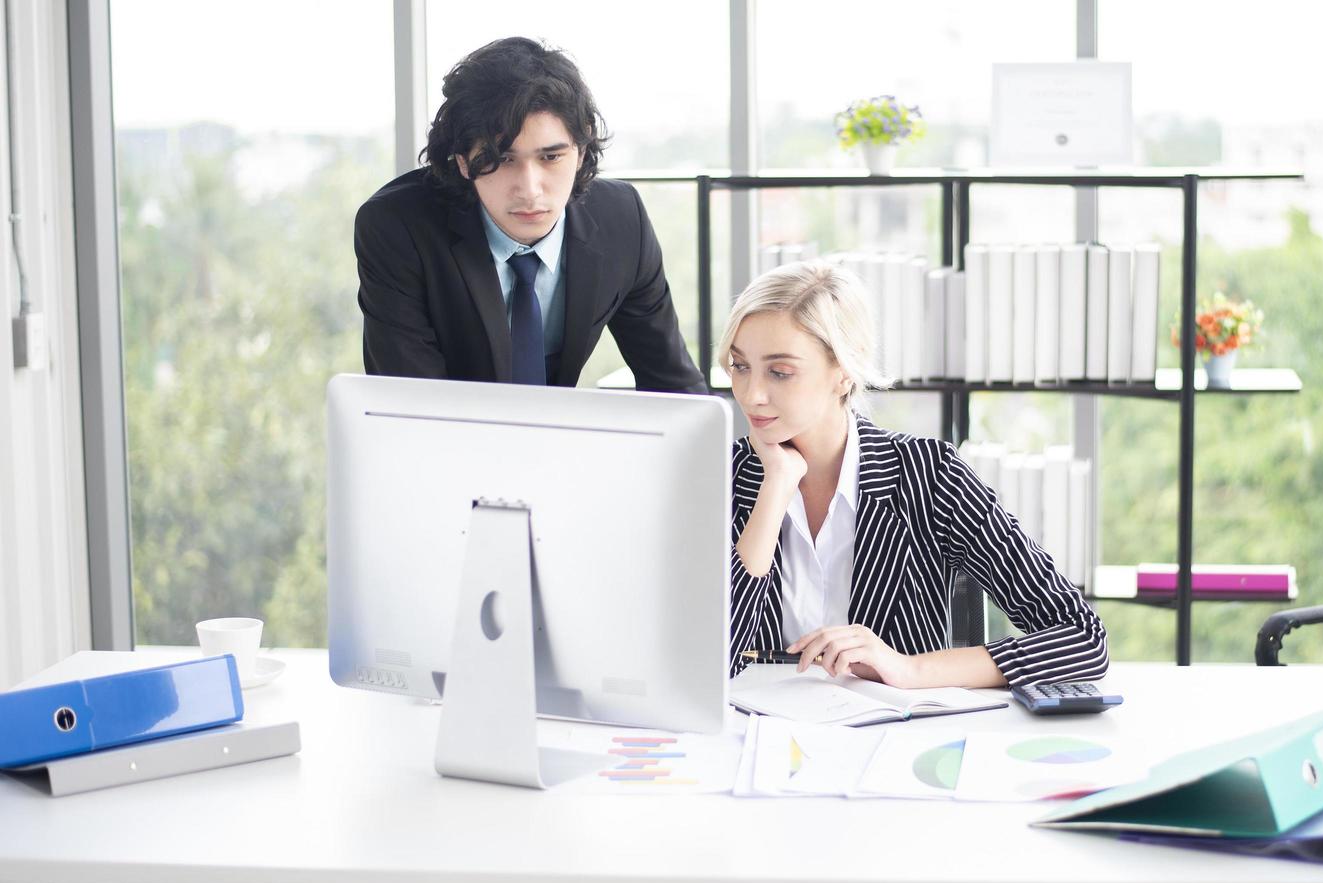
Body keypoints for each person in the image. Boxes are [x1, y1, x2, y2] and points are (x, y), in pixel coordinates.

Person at [723, 261, 1108, 689]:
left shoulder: (931, 476)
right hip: (756, 738)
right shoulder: (722, 476)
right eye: (740, 367)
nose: (752, 394)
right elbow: (708, 662)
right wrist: (775, 488)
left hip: (897, 740)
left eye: (780, 372)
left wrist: (909, 667)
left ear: (844, 371)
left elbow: (1082, 638)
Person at [354, 37, 706, 392]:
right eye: (503, 159)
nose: (530, 189)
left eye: (551, 157)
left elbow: (674, 386)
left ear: (581, 153)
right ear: (462, 161)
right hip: (443, 440)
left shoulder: (621, 220)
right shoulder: (397, 227)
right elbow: (411, 407)